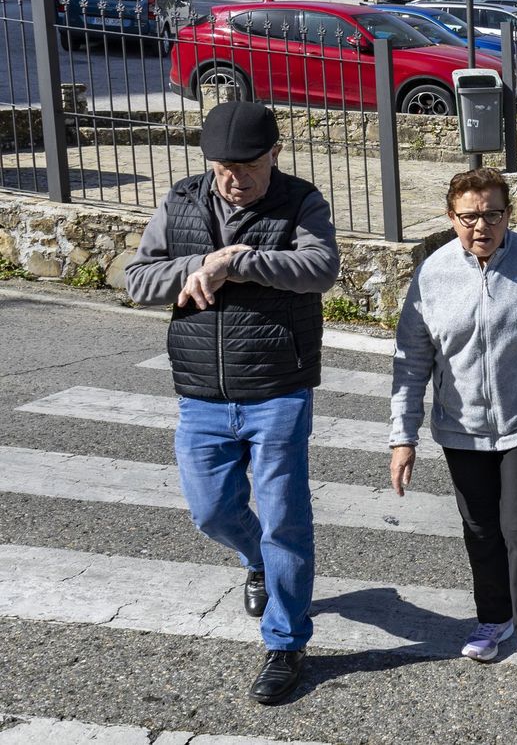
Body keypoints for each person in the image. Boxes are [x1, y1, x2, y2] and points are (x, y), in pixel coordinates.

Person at [125, 100, 338, 705]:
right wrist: (200, 265)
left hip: (277, 389)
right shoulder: (183, 201)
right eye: (222, 166)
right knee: (211, 512)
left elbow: (321, 267)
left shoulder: (300, 201)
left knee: (284, 521)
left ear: (274, 154)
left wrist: (238, 262)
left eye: (246, 165)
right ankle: (257, 563)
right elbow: (138, 279)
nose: (233, 178)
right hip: (201, 394)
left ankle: (286, 642)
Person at [388, 166, 517, 694]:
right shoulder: (432, 275)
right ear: (450, 216)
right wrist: (403, 435)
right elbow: (411, 361)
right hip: (462, 426)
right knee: (481, 529)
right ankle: (495, 617)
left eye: (492, 214)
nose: (481, 226)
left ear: (509, 214)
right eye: (469, 216)